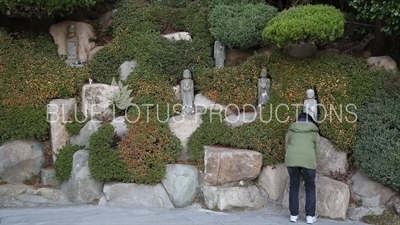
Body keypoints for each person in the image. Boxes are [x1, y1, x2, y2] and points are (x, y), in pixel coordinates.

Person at [285, 112, 320, 224]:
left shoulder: (291, 131)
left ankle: (293, 215)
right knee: (310, 187)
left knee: (294, 185)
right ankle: (310, 216)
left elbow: (287, 147)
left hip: (291, 160)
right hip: (309, 161)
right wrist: (315, 163)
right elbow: (317, 151)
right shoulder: (314, 133)